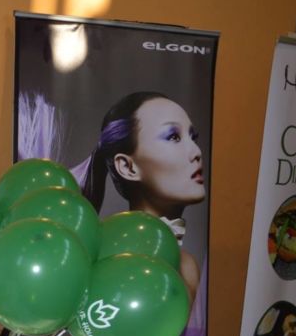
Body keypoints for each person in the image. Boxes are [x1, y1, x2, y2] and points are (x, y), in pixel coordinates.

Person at [82, 92, 206, 300]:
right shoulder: (105, 256)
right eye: (173, 137)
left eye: (193, 137)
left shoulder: (187, 265)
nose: (196, 152)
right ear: (127, 167)